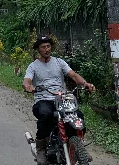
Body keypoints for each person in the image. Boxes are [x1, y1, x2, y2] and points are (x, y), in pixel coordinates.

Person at [23, 36, 95, 165]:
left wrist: (85, 84)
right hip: (43, 99)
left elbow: (73, 75)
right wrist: (29, 87)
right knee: (45, 115)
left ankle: (78, 146)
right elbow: (27, 81)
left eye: (48, 46)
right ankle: (41, 148)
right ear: (38, 50)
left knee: (78, 116)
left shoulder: (59, 62)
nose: (46, 49)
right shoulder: (33, 66)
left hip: (62, 98)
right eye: (43, 47)